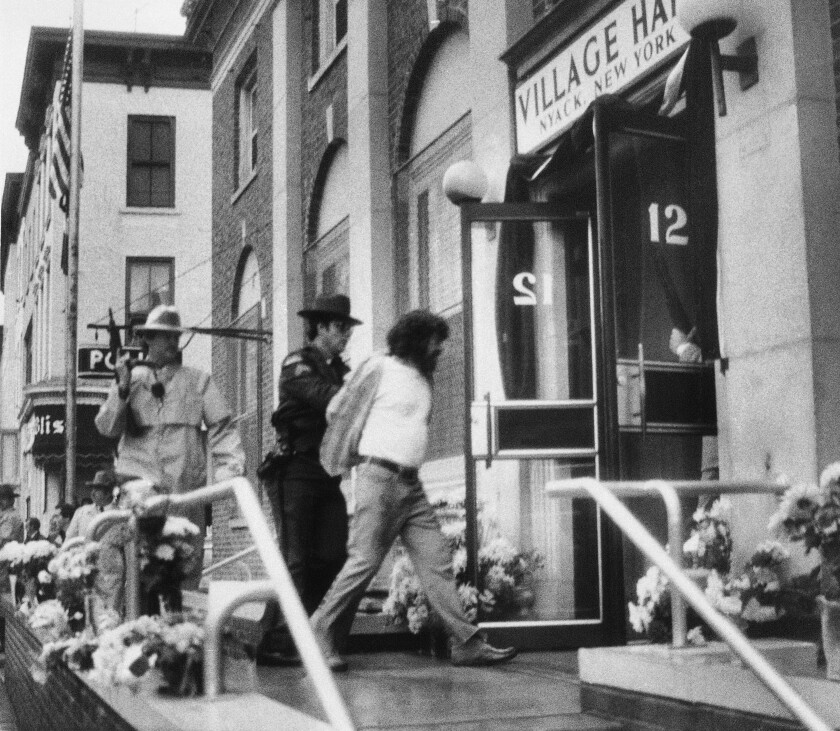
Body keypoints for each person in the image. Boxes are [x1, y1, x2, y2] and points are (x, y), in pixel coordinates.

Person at [311, 310, 518, 671]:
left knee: (437, 561)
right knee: (364, 563)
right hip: (380, 481)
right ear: (416, 339)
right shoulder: (379, 367)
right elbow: (335, 410)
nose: (440, 348)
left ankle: (466, 643)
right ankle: (319, 633)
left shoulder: (423, 378)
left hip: (412, 486)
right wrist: (364, 451)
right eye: (435, 340)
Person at [95, 304, 245, 588]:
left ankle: (178, 630)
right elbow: (107, 428)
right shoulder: (131, 379)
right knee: (135, 575)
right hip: (141, 495)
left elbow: (223, 427)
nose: (172, 342)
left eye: (176, 336)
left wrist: (230, 469)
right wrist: (123, 390)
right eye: (165, 336)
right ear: (147, 339)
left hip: (183, 493)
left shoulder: (198, 381)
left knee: (183, 568)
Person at [258, 293, 360, 665]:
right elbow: (324, 398)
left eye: (348, 328)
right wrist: (359, 398)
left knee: (332, 554)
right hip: (295, 469)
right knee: (295, 558)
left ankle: (311, 632)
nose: (346, 334)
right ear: (320, 327)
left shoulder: (343, 372)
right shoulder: (297, 363)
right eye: (339, 327)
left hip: (326, 473)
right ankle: (278, 641)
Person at [64, 469, 117, 541]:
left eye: (97, 489)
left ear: (108, 493)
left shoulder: (118, 514)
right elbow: (69, 540)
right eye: (92, 489)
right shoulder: (82, 512)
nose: (93, 493)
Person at [0, 484, 23, 594]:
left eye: (3, 498)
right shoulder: (5, 515)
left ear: (11, 500)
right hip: (4, 560)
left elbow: (4, 538)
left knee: (5, 594)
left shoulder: (11, 516)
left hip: (6, 561)